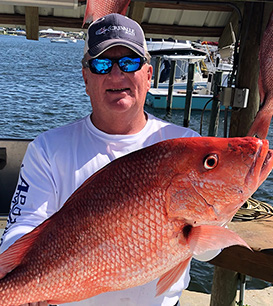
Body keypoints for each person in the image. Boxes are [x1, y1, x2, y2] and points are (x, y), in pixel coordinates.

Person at [0, 13, 220, 306]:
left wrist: (216, 217)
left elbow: (210, 252)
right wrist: (18, 282)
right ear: (86, 77)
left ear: (148, 74)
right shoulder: (48, 148)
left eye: (129, 63)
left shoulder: (187, 145)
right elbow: (23, 224)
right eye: (102, 64)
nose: (116, 76)